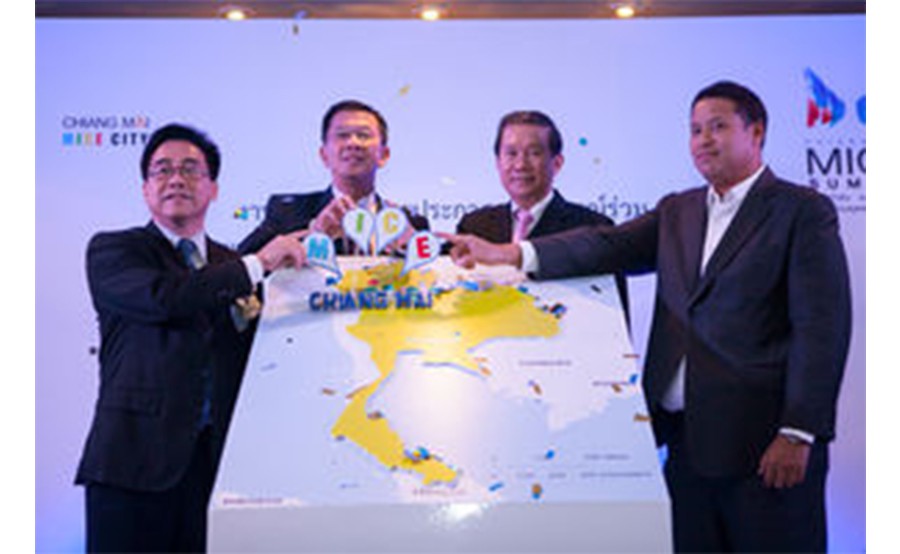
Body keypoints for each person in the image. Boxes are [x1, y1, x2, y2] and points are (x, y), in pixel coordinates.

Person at [444, 81, 851, 553]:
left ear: (756, 132)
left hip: (764, 449)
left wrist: (798, 431)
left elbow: (822, 328)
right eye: (695, 130)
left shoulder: (801, 210)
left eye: (718, 127)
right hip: (685, 445)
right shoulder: (679, 210)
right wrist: (512, 253)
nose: (703, 140)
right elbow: (605, 246)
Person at [75, 123, 308, 553]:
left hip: (218, 471)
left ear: (213, 188)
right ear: (146, 188)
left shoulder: (231, 262)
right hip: (133, 466)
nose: (176, 179)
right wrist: (258, 264)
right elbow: (165, 299)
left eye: (190, 169)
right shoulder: (114, 251)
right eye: (162, 170)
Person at [456, 110, 629, 321]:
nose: (520, 165)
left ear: (557, 163)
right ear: (498, 162)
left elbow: (616, 322)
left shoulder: (593, 228)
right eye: (511, 153)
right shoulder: (474, 227)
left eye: (534, 153)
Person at [238, 99, 428, 255]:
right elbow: (243, 268)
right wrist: (315, 236)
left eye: (363, 135)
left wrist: (411, 249)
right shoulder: (289, 213)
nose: (353, 143)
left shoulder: (407, 222)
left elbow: (437, 274)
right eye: (342, 135)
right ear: (324, 155)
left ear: (384, 155)